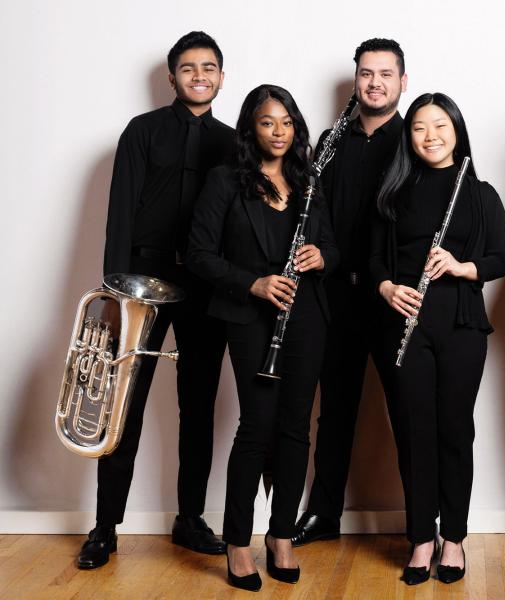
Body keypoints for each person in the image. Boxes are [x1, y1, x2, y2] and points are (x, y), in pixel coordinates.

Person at [77, 31, 232, 570]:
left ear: (220, 75)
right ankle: (105, 525)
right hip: (144, 279)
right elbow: (120, 210)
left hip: (207, 284)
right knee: (123, 403)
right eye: (188, 68)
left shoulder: (234, 141)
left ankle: (190, 518)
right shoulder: (142, 132)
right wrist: (115, 290)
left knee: (199, 402)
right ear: (172, 78)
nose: (199, 76)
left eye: (208, 67)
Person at [187, 84, 338, 591]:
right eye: (268, 122)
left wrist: (321, 256)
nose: (278, 132)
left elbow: (331, 244)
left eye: (287, 122)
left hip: (307, 316)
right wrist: (253, 282)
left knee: (296, 428)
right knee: (256, 426)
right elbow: (200, 253)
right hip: (250, 318)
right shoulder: (225, 181)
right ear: (251, 127)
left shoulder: (309, 179)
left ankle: (281, 535)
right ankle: (237, 541)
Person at [370, 92, 505, 585]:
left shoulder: (479, 193)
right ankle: (421, 539)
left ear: (456, 129)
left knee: (455, 430)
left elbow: (502, 257)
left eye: (440, 126)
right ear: (409, 137)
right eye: (419, 128)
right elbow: (371, 260)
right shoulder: (393, 191)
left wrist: (461, 266)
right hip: (405, 325)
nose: (430, 136)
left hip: (461, 326)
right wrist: (387, 288)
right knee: (413, 433)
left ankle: (453, 537)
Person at [294, 38, 407, 546]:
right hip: (334, 294)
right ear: (356, 79)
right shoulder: (330, 140)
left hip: (392, 297)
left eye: (386, 73)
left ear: (403, 82)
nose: (375, 82)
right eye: (366, 73)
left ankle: (422, 524)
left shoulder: (417, 136)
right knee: (334, 410)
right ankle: (323, 514)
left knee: (407, 409)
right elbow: (315, 213)